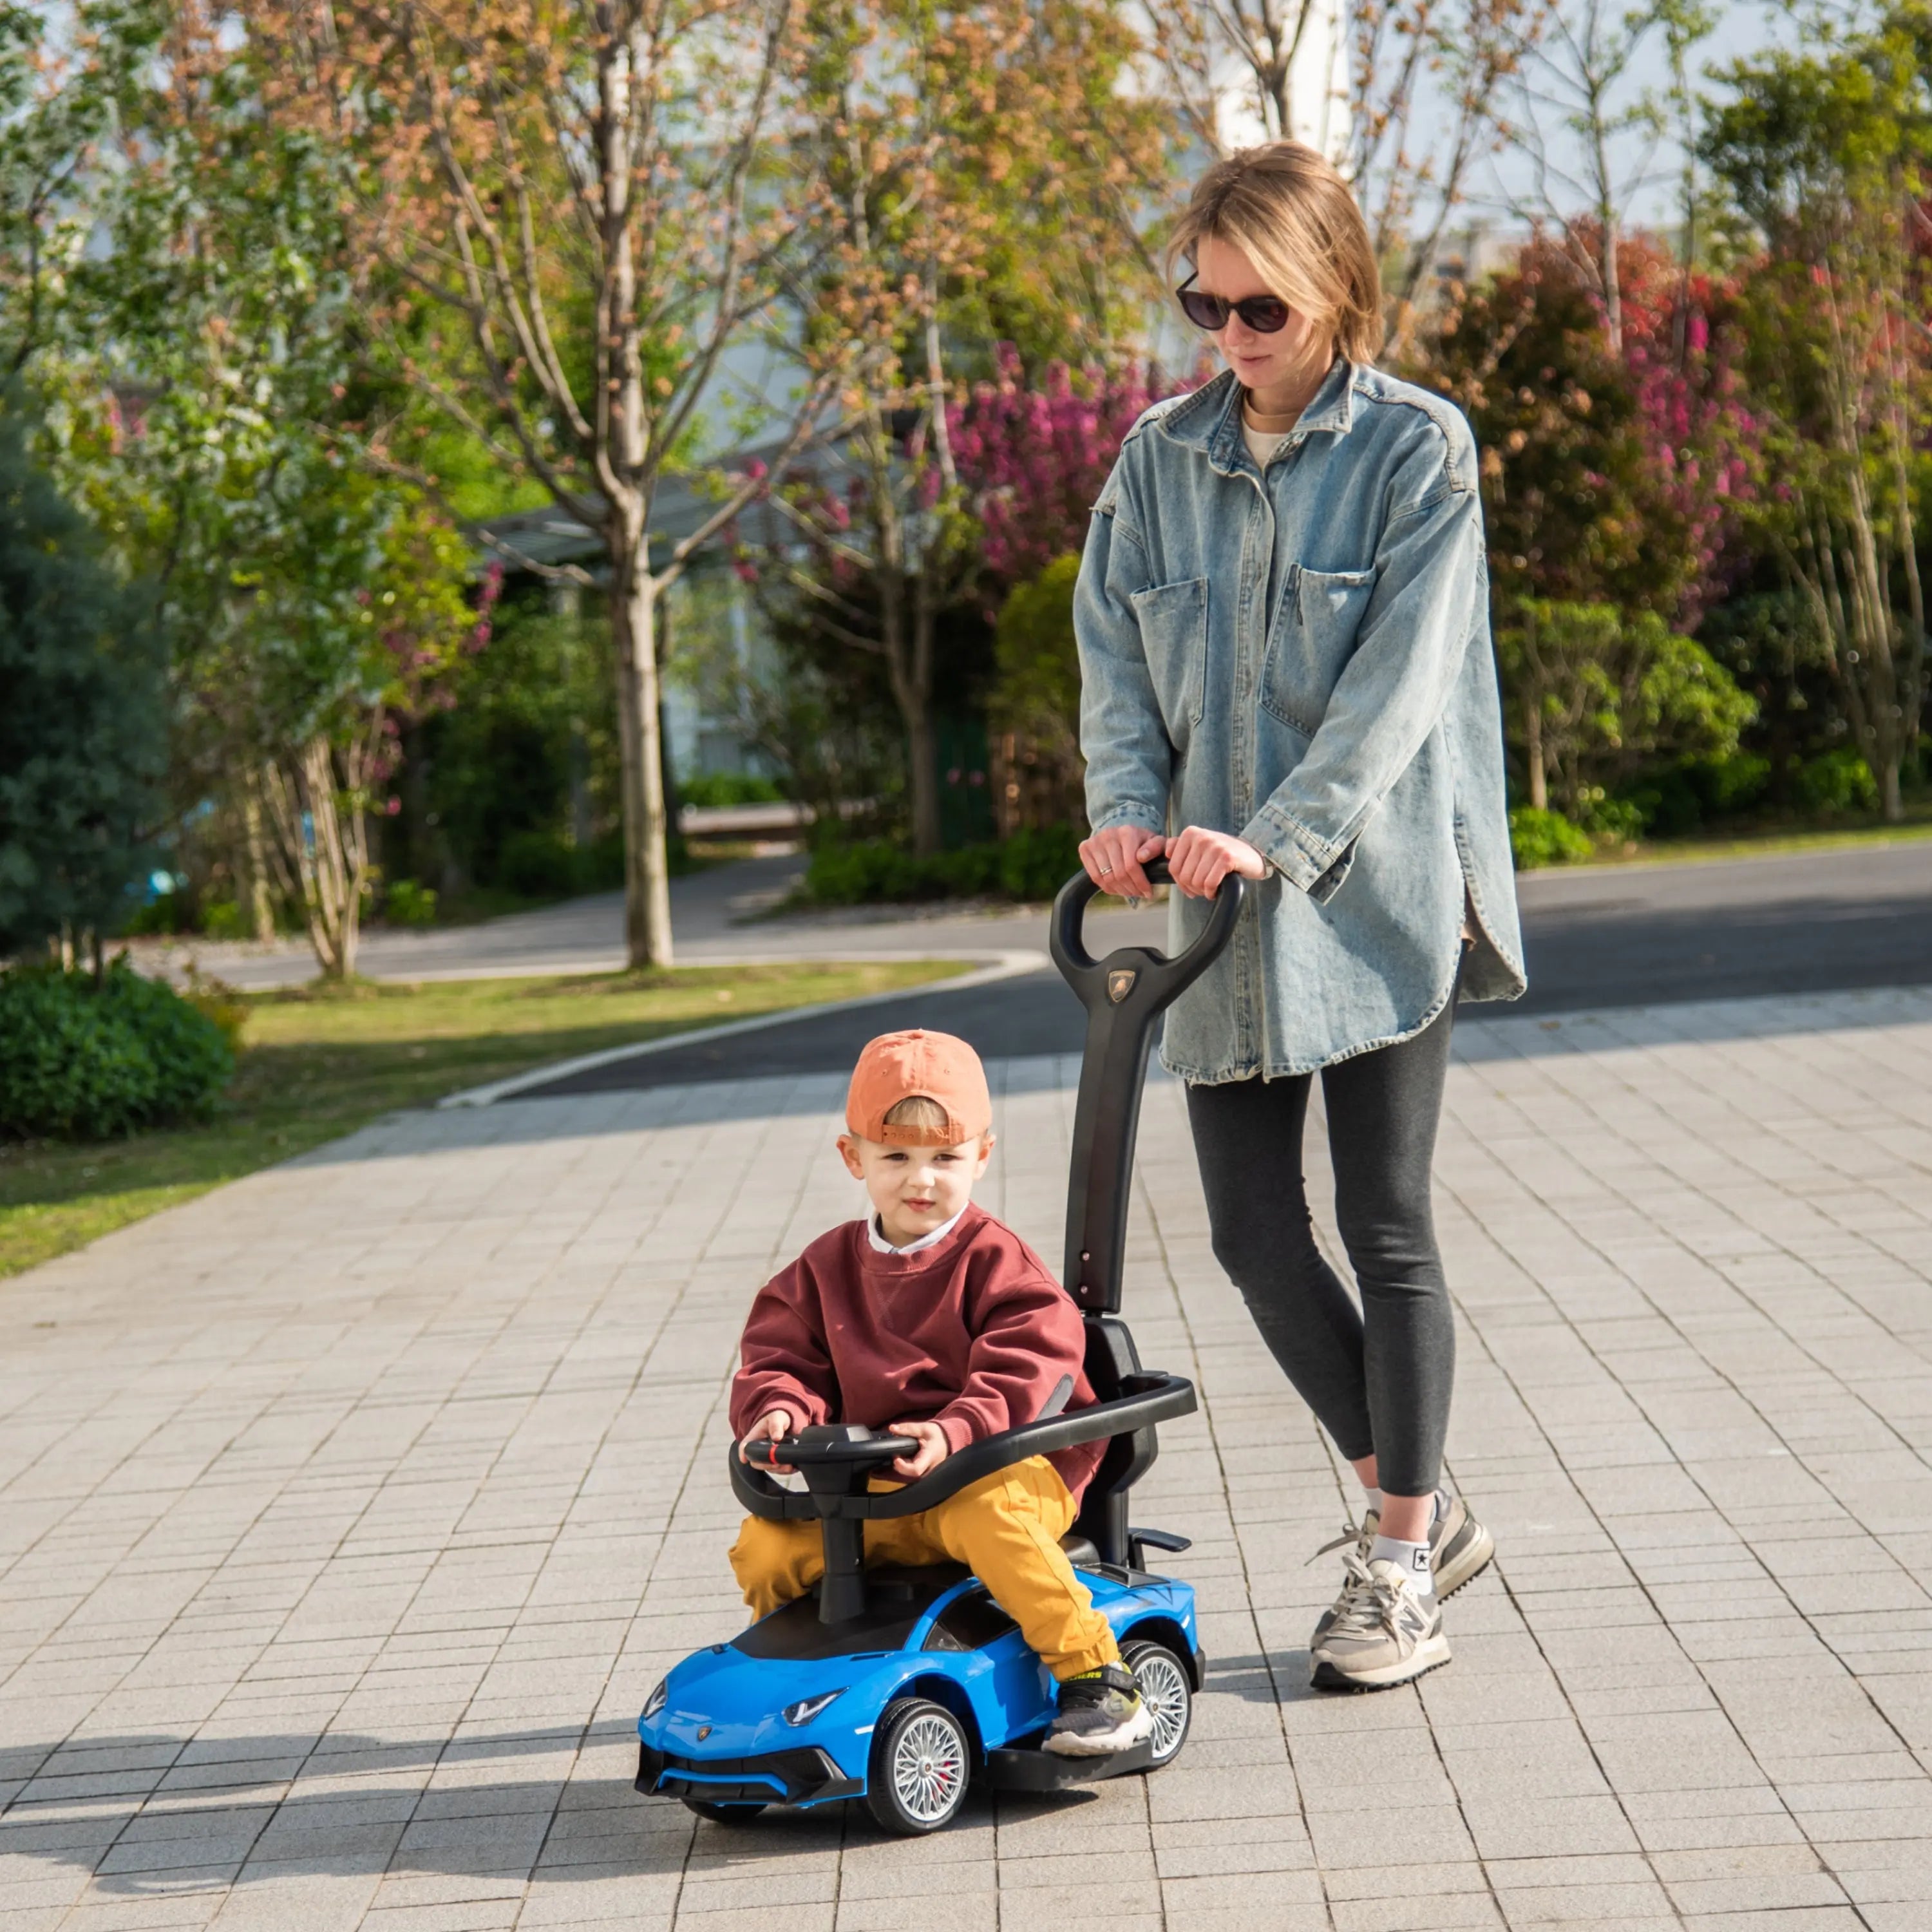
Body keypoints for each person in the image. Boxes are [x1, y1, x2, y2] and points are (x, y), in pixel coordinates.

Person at [1074, 141, 1527, 1692]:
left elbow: (1400, 690)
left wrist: (1276, 837)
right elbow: (1113, 659)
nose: (1230, 338)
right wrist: (1123, 808)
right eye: (1202, 305)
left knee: (1384, 1222)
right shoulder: (1156, 459)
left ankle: (1396, 1563)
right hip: (1212, 909)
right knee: (1253, 1236)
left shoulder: (1417, 450)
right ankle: (1424, 1502)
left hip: (1374, 888)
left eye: (1259, 308)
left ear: (1334, 289)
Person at [728, 1027, 1151, 1756]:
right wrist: (779, 1410)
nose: (921, 1181)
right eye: (896, 1158)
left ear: (981, 1156)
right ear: (853, 1157)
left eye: (945, 1158)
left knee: (993, 1519)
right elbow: (781, 1355)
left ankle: (1097, 1678)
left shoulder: (997, 1262)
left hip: (1000, 1469)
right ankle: (806, 1678)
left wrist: (956, 1430)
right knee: (766, 1546)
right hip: (877, 1489)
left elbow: (1033, 1362)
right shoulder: (823, 1269)